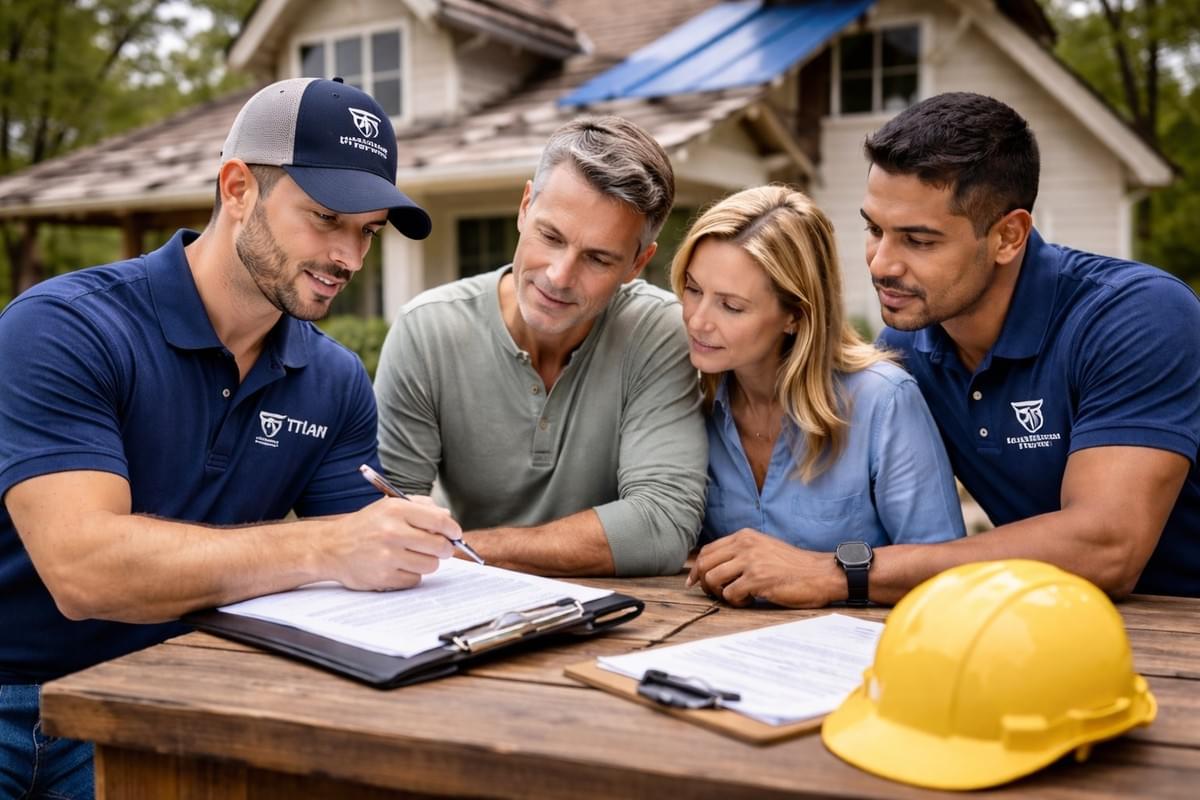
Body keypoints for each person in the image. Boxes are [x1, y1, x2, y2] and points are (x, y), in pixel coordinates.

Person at [0, 78, 463, 798]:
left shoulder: (335, 381)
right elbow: (83, 571)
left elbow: (369, 576)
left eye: (367, 230)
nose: (349, 257)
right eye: (326, 218)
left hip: (173, 693)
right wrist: (326, 547)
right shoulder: (64, 329)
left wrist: (407, 550)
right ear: (239, 187)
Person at [694, 92, 1200, 608]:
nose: (881, 264)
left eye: (919, 240)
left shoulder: (1137, 316)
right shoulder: (905, 348)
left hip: (1178, 623)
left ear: (1008, 236)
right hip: (1053, 618)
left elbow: (1108, 547)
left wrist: (839, 572)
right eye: (874, 229)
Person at [373, 116, 707, 577]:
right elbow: (391, 525)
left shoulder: (658, 331)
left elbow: (662, 525)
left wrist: (462, 547)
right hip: (461, 606)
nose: (559, 275)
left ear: (637, 263)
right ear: (525, 207)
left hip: (625, 616)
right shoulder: (427, 331)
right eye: (551, 237)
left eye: (598, 258)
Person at [676, 186, 965, 607]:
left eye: (731, 307)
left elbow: (946, 573)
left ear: (795, 315)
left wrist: (828, 570)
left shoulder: (883, 401)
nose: (698, 321)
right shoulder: (685, 393)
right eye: (693, 289)